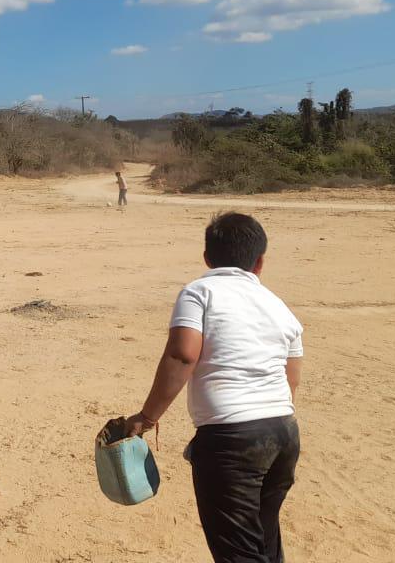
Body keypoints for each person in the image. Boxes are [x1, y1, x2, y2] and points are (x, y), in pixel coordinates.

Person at [123, 212, 303, 563]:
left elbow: (182, 356)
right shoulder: (280, 307)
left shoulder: (200, 292)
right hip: (283, 433)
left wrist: (146, 417)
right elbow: (290, 378)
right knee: (265, 539)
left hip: (231, 440)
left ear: (207, 258)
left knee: (239, 552)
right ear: (260, 262)